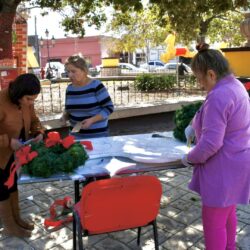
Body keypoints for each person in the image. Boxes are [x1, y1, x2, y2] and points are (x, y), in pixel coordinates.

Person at [182, 44, 250, 250]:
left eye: (198, 77)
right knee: (227, 213)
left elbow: (211, 144)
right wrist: (194, 125)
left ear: (211, 74)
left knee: (213, 223)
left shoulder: (219, 95)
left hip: (222, 168)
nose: (199, 83)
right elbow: (208, 112)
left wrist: (189, 157)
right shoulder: (234, 85)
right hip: (237, 163)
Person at [0, 73, 44, 237]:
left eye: (33, 99)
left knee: (12, 185)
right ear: (18, 94)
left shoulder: (25, 101)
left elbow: (34, 120)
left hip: (13, 152)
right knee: (2, 189)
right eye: (29, 99)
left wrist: (38, 131)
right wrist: (8, 142)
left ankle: (16, 219)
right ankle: (10, 226)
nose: (31, 103)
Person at [63, 54, 114, 139]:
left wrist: (92, 120)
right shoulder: (69, 89)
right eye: (68, 72)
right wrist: (64, 117)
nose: (70, 75)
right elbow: (68, 110)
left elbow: (109, 108)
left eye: (73, 71)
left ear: (84, 70)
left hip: (97, 136)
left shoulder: (96, 86)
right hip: (75, 137)